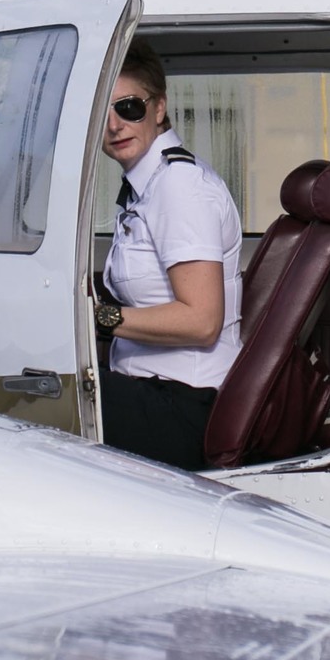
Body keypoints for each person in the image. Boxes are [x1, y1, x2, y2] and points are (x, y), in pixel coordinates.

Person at [94, 41, 242, 472]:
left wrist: (101, 319)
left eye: (129, 108)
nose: (115, 125)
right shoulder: (150, 186)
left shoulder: (178, 186)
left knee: (35, 394)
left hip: (184, 403)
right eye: (101, 115)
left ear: (159, 108)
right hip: (154, 390)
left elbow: (201, 321)